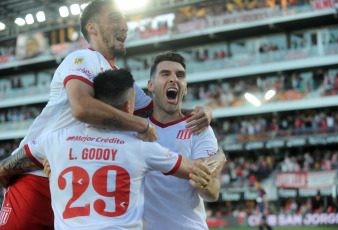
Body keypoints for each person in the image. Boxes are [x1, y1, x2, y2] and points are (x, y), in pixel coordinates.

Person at [0, 1, 212, 229]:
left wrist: (203, 113)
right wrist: (140, 125)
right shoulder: (81, 58)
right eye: (115, 18)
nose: (124, 26)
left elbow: (164, 111)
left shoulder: (122, 82)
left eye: (124, 20)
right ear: (93, 28)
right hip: (37, 179)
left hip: (76, 184)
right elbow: (82, 108)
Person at [0, 69, 221, 230]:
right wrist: (221, 155)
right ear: (128, 108)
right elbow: (199, 170)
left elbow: (8, 166)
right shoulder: (141, 148)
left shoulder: (53, 140)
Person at [143, 52, 225, 230]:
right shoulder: (136, 128)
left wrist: (205, 182)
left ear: (185, 88)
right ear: (151, 85)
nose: (173, 79)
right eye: (165, 74)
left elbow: (213, 191)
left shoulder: (199, 128)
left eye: (180, 75)